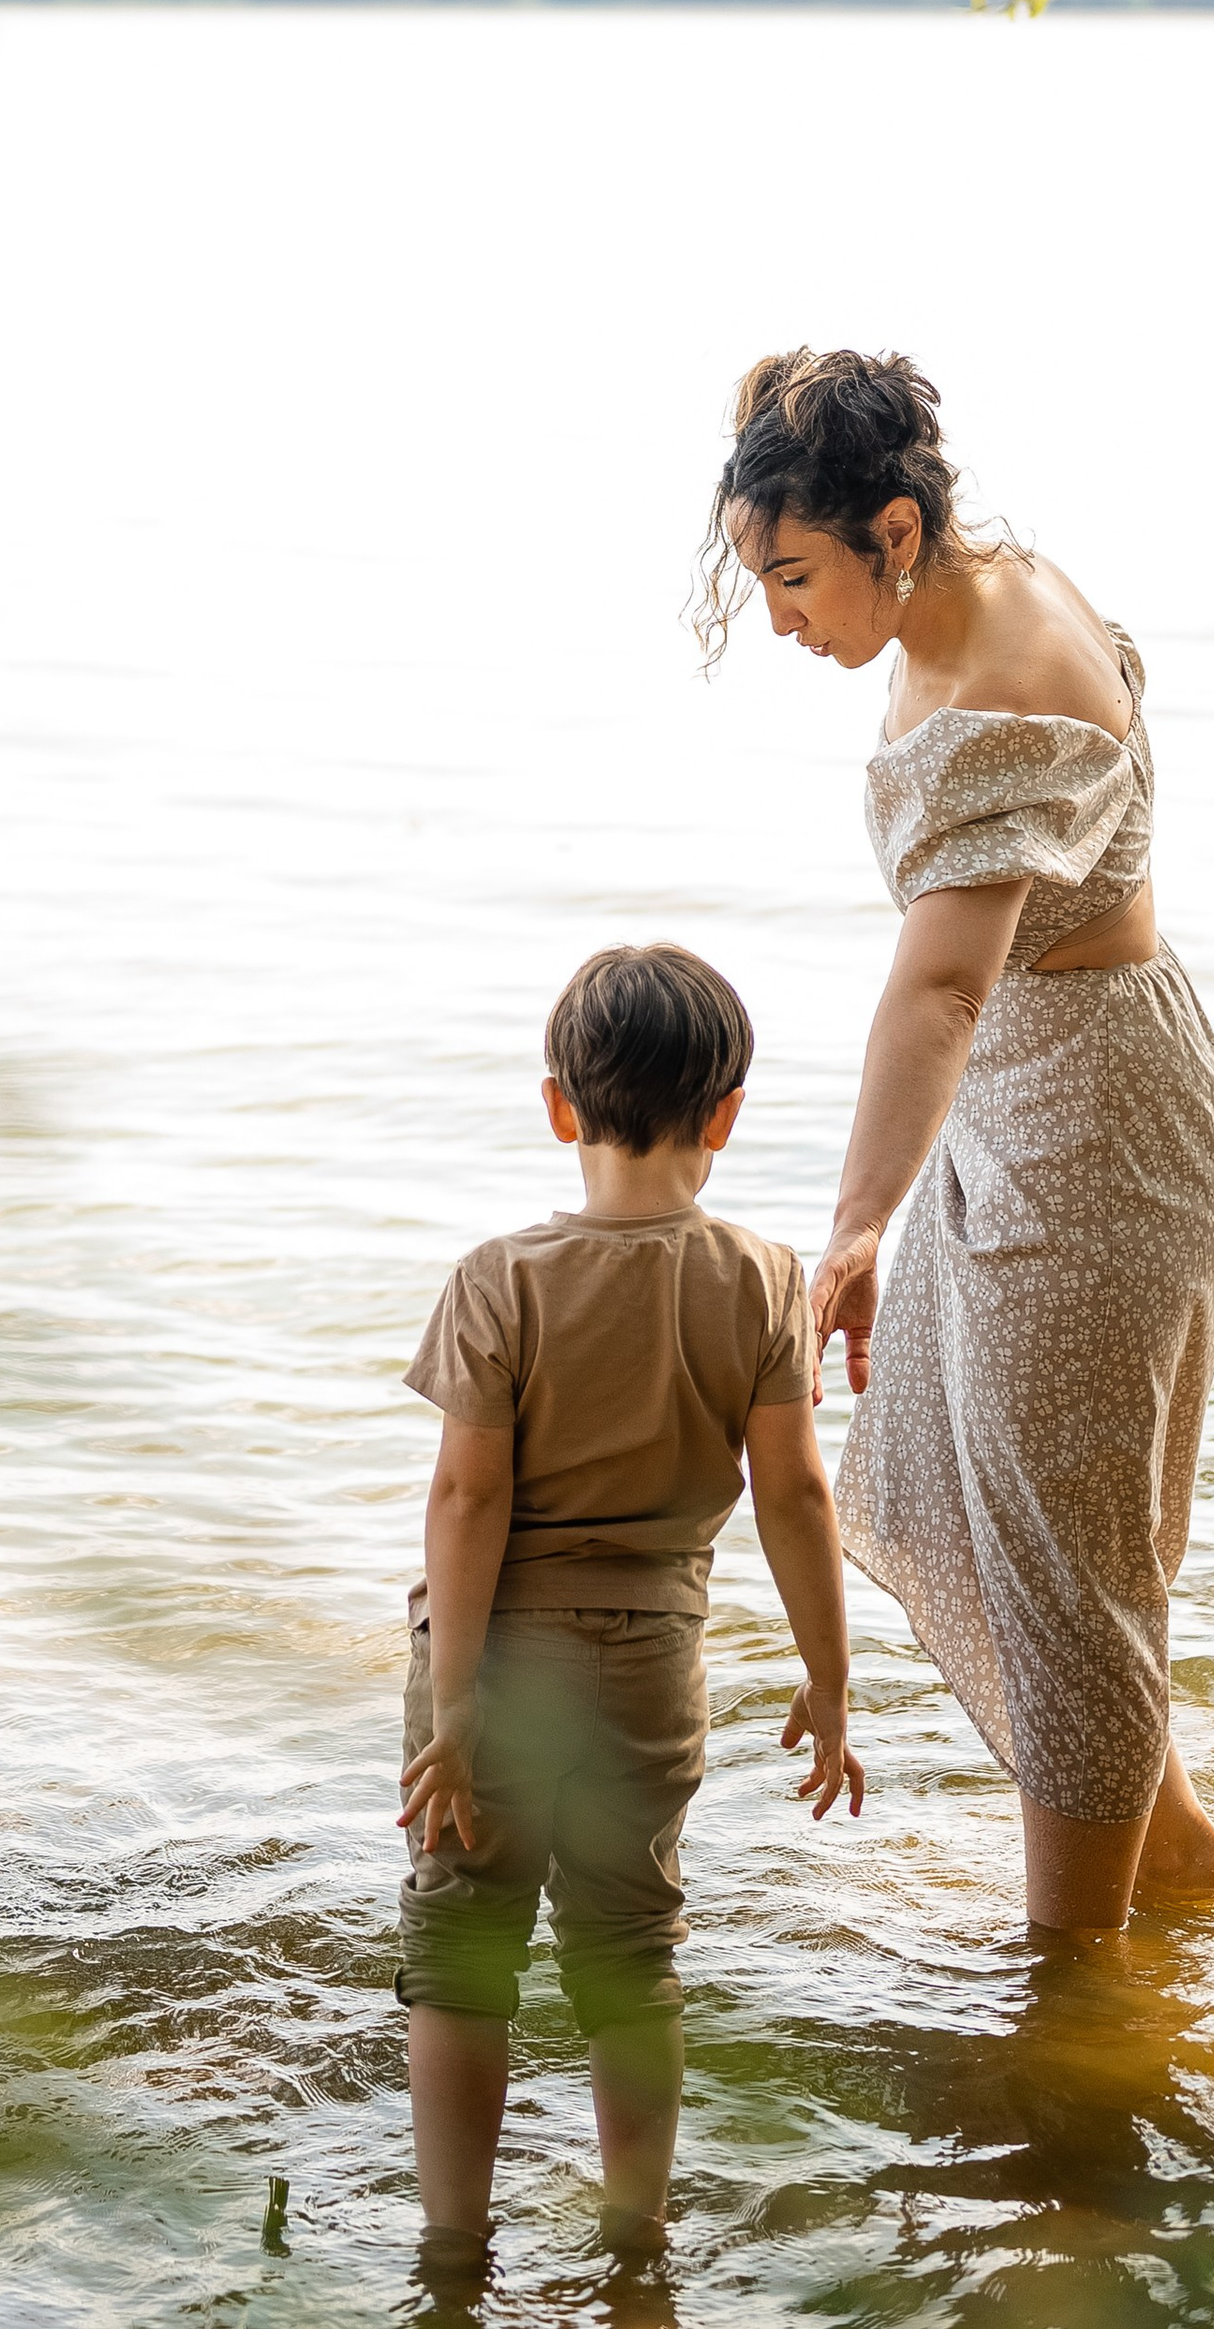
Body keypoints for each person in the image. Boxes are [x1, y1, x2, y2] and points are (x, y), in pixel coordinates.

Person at [700, 348, 1214, 1940]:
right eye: (758, 578)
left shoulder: (1005, 674)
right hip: (1039, 1102)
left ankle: (1071, 1999)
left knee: (1072, 1584)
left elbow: (941, 986)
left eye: (793, 575)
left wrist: (858, 1220)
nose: (781, 616)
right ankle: (1196, 1889)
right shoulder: (971, 579)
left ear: (891, 528)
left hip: (1097, 1134)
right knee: (1007, 1523)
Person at [395, 942, 859, 2277]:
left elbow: (471, 1502)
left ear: (560, 1107)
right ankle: (637, 2240)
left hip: (495, 1657)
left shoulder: (500, 1279)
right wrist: (828, 1682)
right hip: (654, 1663)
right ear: (724, 1117)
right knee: (631, 1946)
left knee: (465, 1940)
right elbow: (795, 1499)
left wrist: (462, 1696)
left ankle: (451, 2249)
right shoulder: (764, 1280)